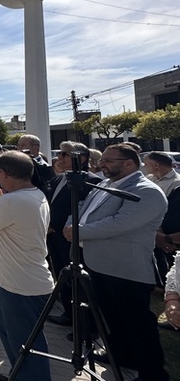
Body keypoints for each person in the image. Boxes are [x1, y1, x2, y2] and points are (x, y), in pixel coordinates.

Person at [63, 143, 169, 380]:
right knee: (112, 318)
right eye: (103, 160)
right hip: (98, 264)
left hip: (125, 269)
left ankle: (152, 373)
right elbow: (81, 206)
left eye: (109, 161)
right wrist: (71, 224)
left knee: (137, 324)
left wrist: (79, 231)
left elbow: (120, 223)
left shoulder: (147, 191)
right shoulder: (104, 183)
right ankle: (122, 356)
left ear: (129, 163)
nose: (102, 164)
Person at [0, 151, 54, 381]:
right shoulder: (32, 194)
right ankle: (20, 375)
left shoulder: (12, 201)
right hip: (14, 281)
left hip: (19, 286)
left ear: (4, 174)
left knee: (27, 344)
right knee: (15, 339)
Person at [44, 141, 100, 327]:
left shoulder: (92, 181)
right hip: (53, 235)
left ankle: (84, 323)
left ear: (81, 158)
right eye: (59, 153)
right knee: (62, 274)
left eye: (64, 154)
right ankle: (69, 314)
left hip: (71, 237)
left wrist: (58, 224)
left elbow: (83, 210)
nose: (59, 157)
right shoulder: (59, 178)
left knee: (78, 280)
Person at [144, 151, 180, 285]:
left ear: (156, 165)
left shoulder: (177, 184)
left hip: (166, 229)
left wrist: (165, 237)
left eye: (146, 163)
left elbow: (170, 212)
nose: (144, 166)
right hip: (151, 228)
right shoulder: (149, 179)